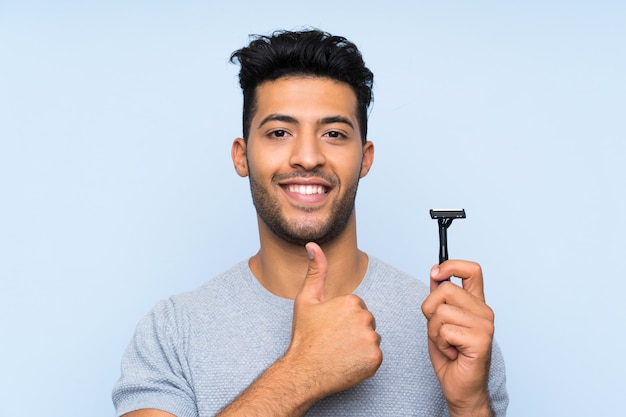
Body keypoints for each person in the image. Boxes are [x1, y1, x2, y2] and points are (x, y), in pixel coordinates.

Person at [112, 29, 508, 417]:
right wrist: (305, 371)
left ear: (365, 158)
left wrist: (469, 405)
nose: (307, 156)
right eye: (279, 132)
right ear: (242, 156)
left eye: (334, 133)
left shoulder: (453, 329)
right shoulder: (172, 331)